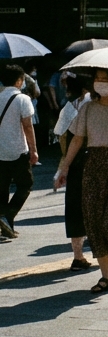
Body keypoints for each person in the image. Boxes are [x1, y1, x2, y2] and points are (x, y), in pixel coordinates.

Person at [54, 69, 108, 292]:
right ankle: (105, 277)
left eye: (105, 79)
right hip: (93, 163)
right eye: (97, 79)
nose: (100, 83)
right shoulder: (88, 107)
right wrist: (64, 167)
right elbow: (77, 139)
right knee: (93, 219)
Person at [54, 75, 92, 268]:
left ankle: (78, 256)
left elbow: (60, 135)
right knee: (99, 205)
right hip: (96, 159)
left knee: (75, 208)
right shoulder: (95, 104)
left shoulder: (68, 108)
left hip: (74, 161)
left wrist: (64, 166)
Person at [0, 65, 39, 242]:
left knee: (2, 188)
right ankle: (8, 215)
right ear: (18, 81)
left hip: (0, 151)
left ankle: (6, 225)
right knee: (25, 184)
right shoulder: (23, 99)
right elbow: (28, 126)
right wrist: (34, 150)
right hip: (18, 150)